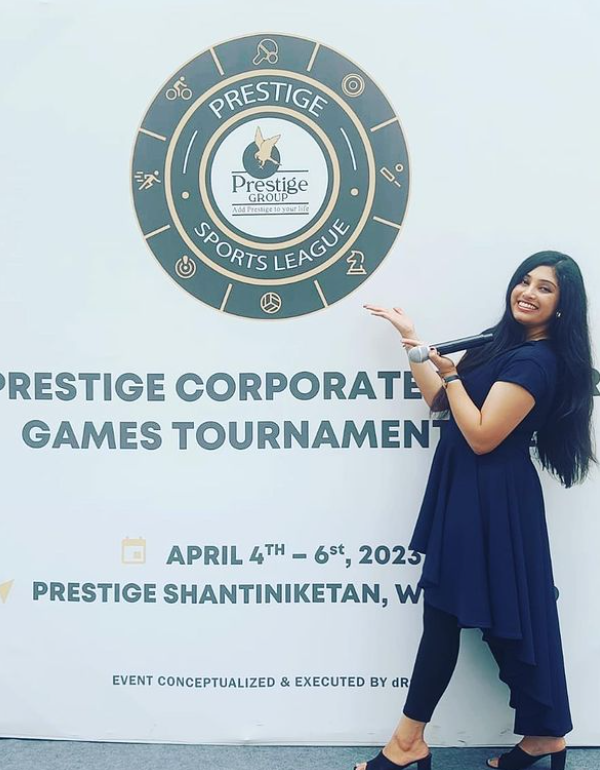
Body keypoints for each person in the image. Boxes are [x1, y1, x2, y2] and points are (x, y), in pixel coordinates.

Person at [356, 251, 596, 770]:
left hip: (493, 496)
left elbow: (484, 435)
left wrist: (453, 378)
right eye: (524, 281)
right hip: (469, 490)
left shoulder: (536, 362)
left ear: (562, 306)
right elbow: (441, 403)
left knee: (453, 612)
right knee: (493, 611)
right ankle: (544, 734)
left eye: (545, 288)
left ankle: (409, 742)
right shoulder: (498, 344)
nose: (527, 292)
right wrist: (412, 342)